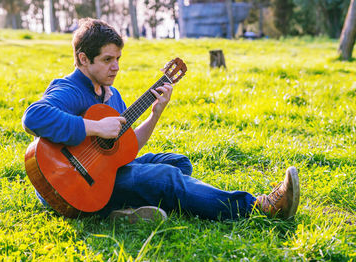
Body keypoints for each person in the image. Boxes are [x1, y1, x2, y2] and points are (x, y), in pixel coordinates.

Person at [22, 18, 300, 223]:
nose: (116, 67)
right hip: (67, 185)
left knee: (179, 163)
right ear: (83, 58)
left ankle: (121, 212)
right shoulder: (69, 88)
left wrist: (155, 114)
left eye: (118, 58)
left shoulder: (111, 95)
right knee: (165, 177)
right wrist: (95, 127)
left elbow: (125, 149)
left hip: (99, 176)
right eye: (107, 59)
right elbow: (33, 117)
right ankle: (259, 206)